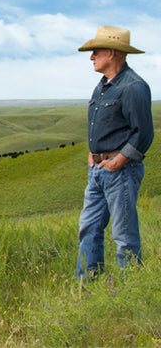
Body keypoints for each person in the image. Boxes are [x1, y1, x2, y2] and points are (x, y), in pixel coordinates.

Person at [75, 25, 153, 281]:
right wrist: (92, 153)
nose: (91, 57)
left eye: (95, 51)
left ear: (111, 52)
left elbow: (143, 133)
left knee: (124, 234)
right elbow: (100, 124)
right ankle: (85, 286)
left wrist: (120, 159)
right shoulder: (102, 87)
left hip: (120, 171)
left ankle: (131, 291)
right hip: (97, 170)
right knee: (88, 228)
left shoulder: (134, 86)